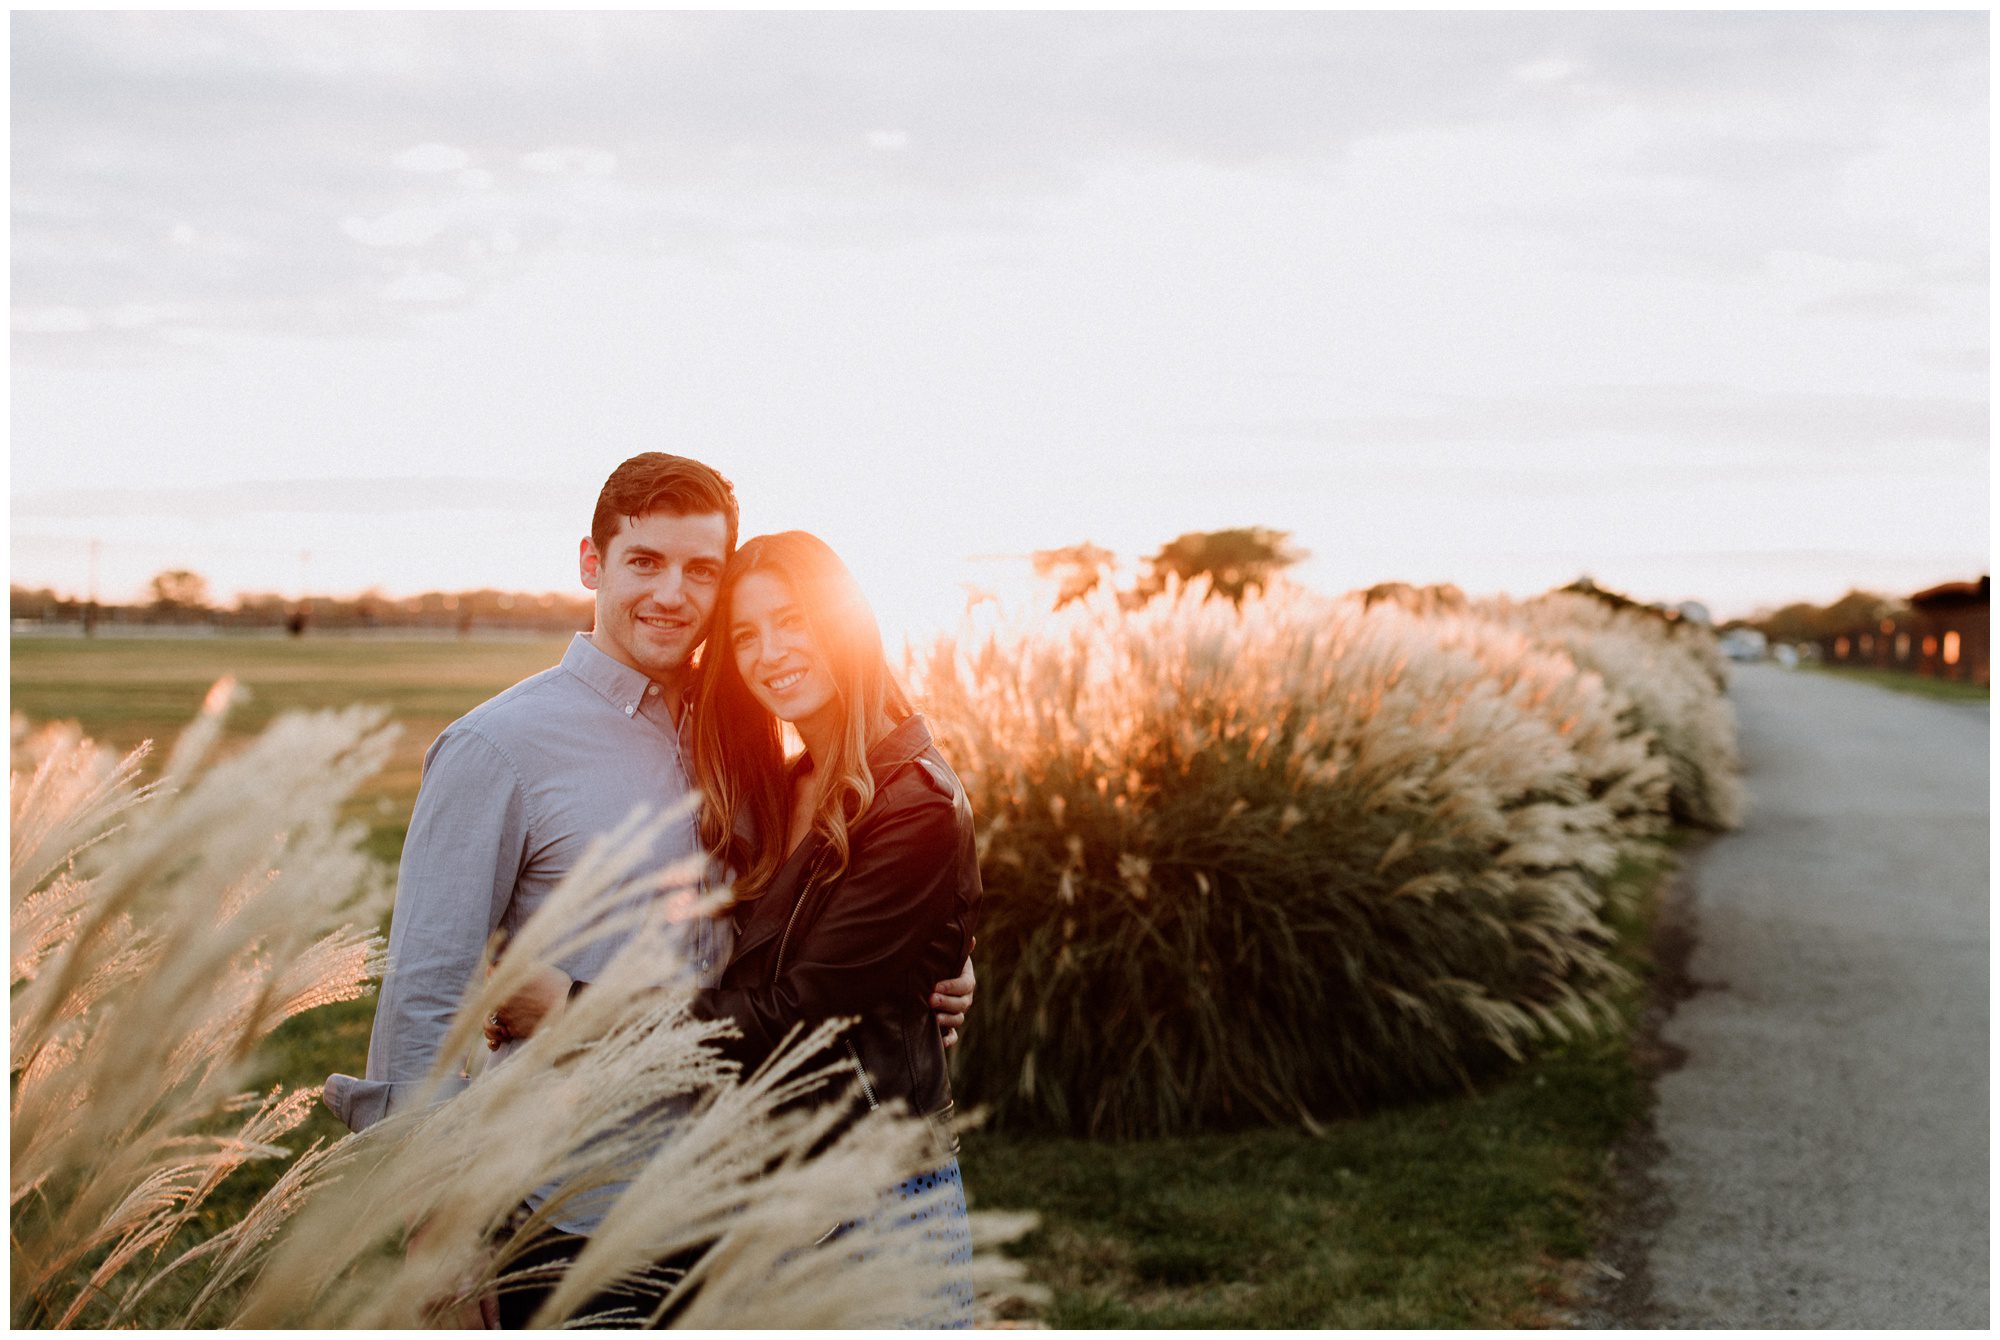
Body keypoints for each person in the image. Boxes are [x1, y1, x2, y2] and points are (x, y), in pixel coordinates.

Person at [321, 454, 975, 1325]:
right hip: (580, 1215)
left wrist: (938, 960)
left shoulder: (747, 744)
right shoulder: (498, 747)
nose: (673, 593)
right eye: (645, 562)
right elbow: (424, 999)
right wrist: (437, 1239)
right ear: (592, 564)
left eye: (701, 570)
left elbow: (825, 923)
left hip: (756, 1225)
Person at [686, 531, 980, 1326]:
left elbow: (800, 1012)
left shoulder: (913, 799)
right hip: (774, 1188)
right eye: (745, 635)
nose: (770, 651)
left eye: (791, 620)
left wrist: (581, 1011)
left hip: (876, 1200)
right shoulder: (791, 783)